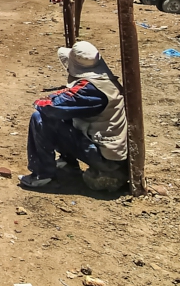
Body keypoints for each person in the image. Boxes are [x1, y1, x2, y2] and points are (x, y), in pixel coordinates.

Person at [20, 41, 129, 191]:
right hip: (109, 151)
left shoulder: (90, 90)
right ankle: (67, 163)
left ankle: (42, 175)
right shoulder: (104, 81)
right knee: (67, 117)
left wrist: (40, 102)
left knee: (40, 118)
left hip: (105, 157)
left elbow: (51, 107)